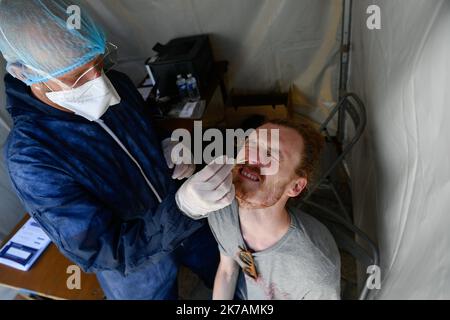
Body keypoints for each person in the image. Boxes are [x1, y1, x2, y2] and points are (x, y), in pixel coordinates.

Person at [0, 0, 219, 299]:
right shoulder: (30, 157)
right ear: (25, 74)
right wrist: (183, 208)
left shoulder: (116, 83)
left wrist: (167, 144)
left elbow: (146, 125)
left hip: (188, 225)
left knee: (226, 275)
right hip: (136, 266)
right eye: (76, 76)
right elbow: (101, 249)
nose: (100, 85)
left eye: (99, 63)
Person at [176, 119, 341, 300]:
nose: (252, 157)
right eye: (250, 143)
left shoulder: (316, 274)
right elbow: (227, 271)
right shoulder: (222, 212)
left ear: (295, 187)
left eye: (271, 156)